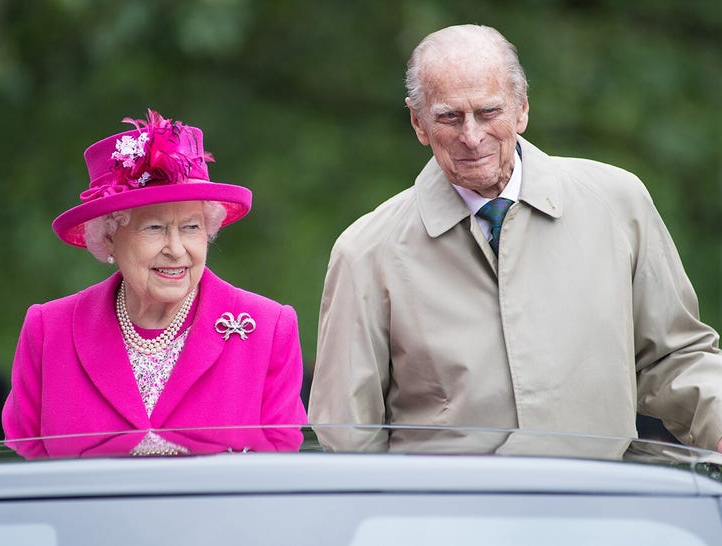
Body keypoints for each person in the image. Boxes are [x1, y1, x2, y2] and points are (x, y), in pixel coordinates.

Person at [308, 25, 722, 453]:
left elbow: (675, 357)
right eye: (450, 117)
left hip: (600, 507)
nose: (471, 136)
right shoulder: (366, 251)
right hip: (445, 516)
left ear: (522, 109)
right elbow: (348, 435)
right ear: (419, 122)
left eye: (488, 112)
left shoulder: (619, 204)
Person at [3, 109, 307, 458]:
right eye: (154, 228)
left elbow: (282, 481)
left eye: (191, 227)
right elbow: (21, 469)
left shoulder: (268, 329)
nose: (176, 250)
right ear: (109, 238)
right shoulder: (48, 330)